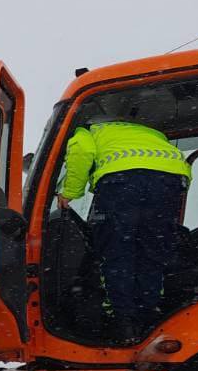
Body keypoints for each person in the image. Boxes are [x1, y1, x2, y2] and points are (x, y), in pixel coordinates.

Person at [56, 116, 190, 341]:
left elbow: (82, 151)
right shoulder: (152, 133)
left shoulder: (87, 131)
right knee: (152, 252)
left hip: (121, 182)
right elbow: (181, 166)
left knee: (117, 252)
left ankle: (122, 321)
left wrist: (70, 192)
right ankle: (150, 317)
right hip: (168, 180)